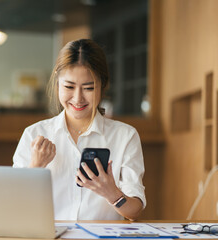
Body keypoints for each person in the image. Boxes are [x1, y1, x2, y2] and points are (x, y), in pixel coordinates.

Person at [13, 39, 145, 221]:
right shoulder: (34, 134)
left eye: (89, 88)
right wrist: (35, 167)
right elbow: (14, 205)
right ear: (57, 83)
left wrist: (111, 193)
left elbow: (134, 212)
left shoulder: (125, 136)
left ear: (102, 86)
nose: (78, 98)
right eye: (69, 87)